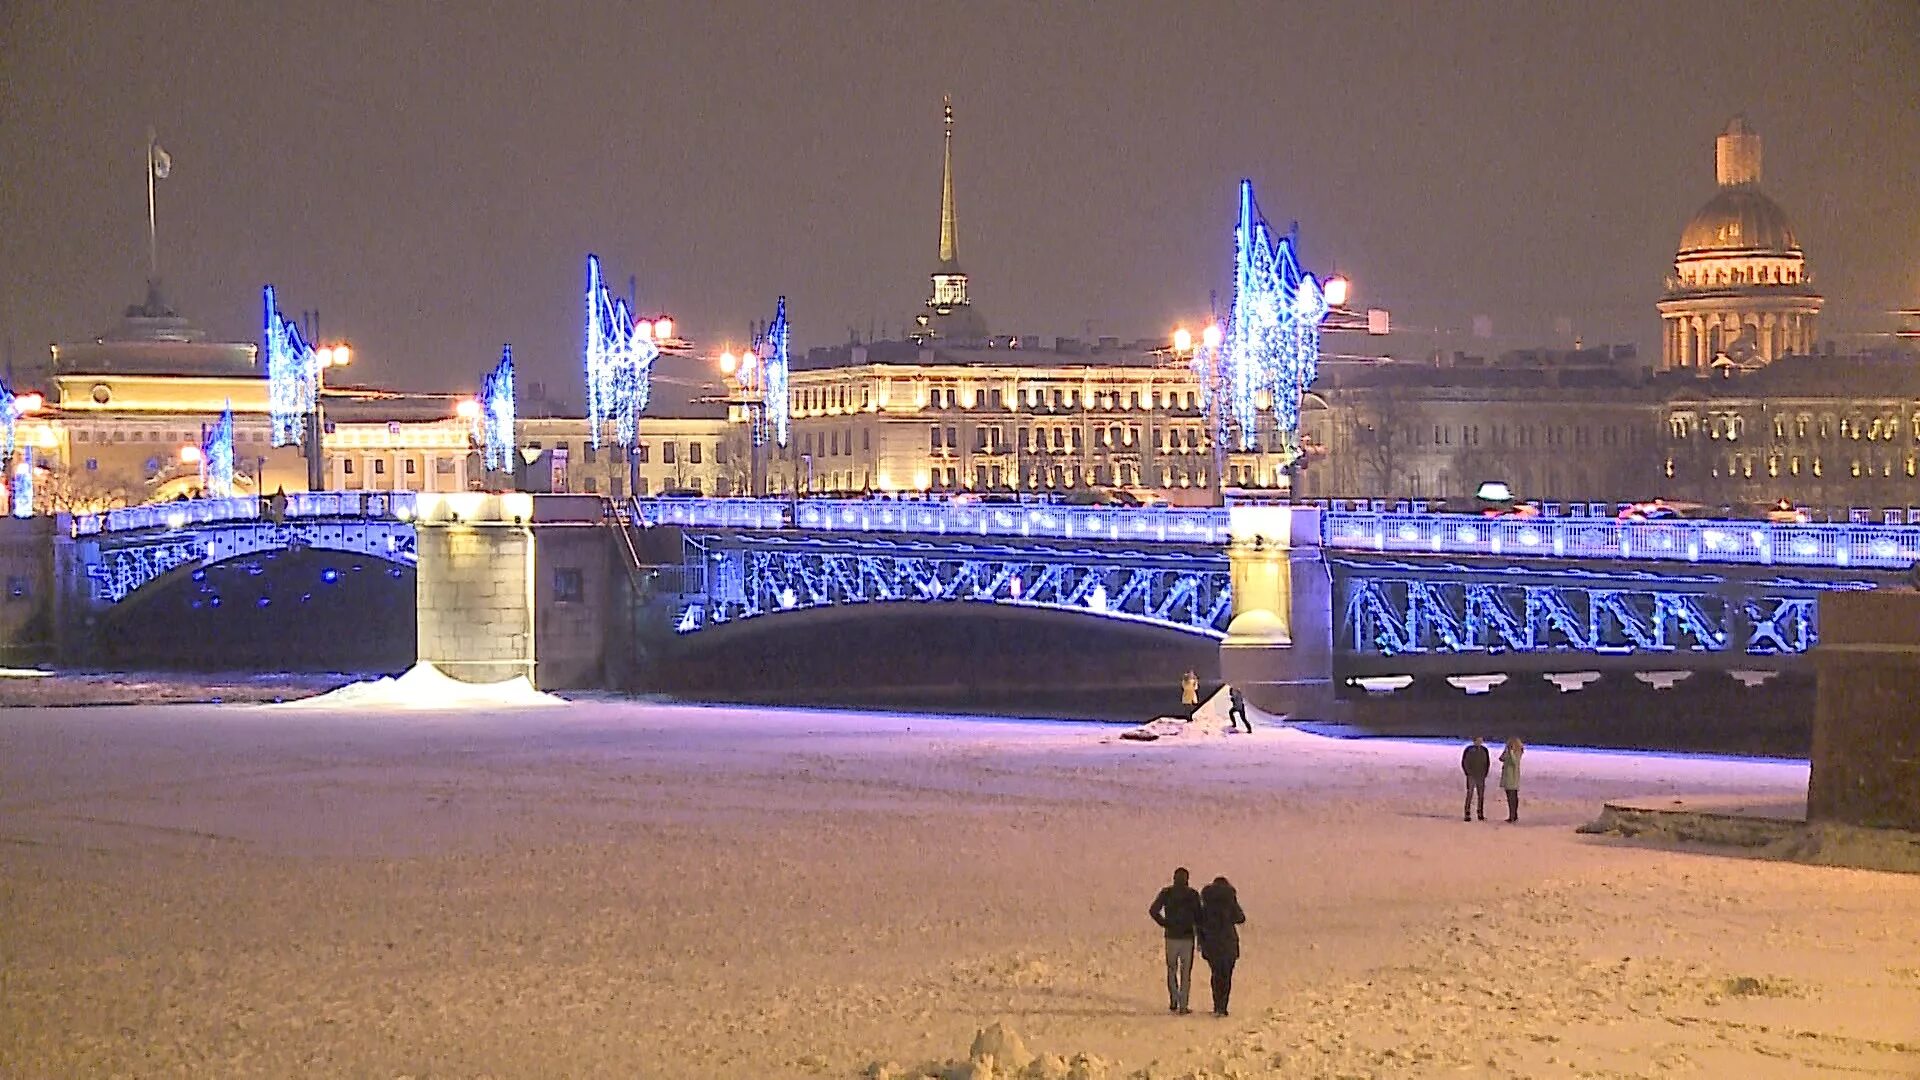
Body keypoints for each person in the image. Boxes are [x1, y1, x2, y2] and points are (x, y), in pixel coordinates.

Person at [1148, 867, 1203, 1014]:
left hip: (1171, 936)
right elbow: (1199, 917)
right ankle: (1183, 1005)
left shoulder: (1167, 893)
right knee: (1186, 972)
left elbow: (1153, 910)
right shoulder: (1192, 895)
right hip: (1187, 937)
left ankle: (1173, 999)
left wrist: (1164, 923)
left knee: (1171, 969)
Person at [1197, 875, 1246, 1017]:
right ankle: (1223, 1006)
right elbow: (1240, 918)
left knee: (1216, 974)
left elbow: (1199, 923)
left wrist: (1201, 941)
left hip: (1211, 942)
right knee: (1227, 976)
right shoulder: (1230, 901)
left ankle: (1216, 1005)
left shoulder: (1206, 904)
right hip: (1228, 942)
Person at [1461, 737, 1491, 821]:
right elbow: (1464, 762)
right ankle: (1467, 813)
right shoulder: (1469, 750)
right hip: (1471, 775)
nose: (1479, 742)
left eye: (1481, 741)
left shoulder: (1484, 750)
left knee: (1480, 795)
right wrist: (1468, 772)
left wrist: (1485, 773)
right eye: (1478, 740)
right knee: (1470, 794)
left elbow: (1487, 762)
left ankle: (1480, 813)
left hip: (1481, 776)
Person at [1499, 737, 1525, 823]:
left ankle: (1513, 816)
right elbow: (1501, 758)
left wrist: (1511, 752)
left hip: (1513, 777)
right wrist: (1506, 751)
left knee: (1513, 798)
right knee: (1510, 798)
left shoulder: (1517, 753)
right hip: (1507, 777)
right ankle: (1512, 815)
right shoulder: (1508, 752)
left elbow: (1515, 762)